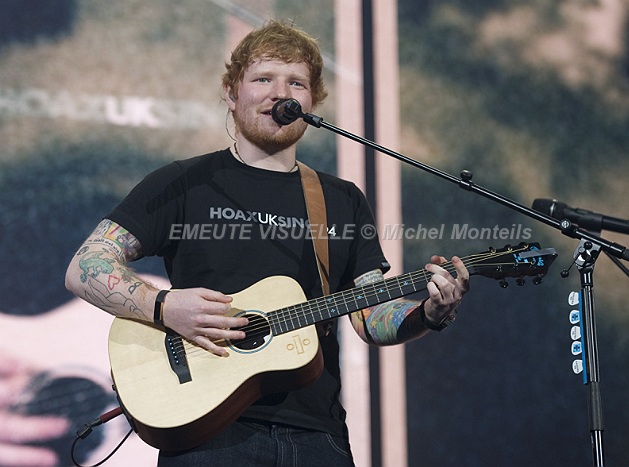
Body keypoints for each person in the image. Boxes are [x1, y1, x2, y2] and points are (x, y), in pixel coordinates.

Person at [65, 20, 469, 466]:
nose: (280, 93)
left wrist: (429, 313)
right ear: (231, 93)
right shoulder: (184, 181)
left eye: (296, 82)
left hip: (318, 438)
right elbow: (86, 265)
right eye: (263, 79)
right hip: (209, 435)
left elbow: (371, 317)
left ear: (311, 102)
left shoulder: (341, 199)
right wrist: (164, 306)